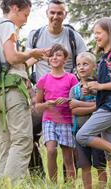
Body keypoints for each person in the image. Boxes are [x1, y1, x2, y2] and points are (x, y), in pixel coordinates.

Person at [25, 0, 87, 178]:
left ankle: (69, 180)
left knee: (72, 142)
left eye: (59, 13)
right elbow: (27, 62)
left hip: (67, 96)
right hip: (42, 95)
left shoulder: (73, 37)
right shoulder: (36, 36)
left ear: (65, 15)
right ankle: (39, 176)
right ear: (47, 13)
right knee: (26, 133)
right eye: (52, 12)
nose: (55, 16)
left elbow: (85, 60)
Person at [0, 0, 48, 185]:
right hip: (12, 92)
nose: (25, 20)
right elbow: (12, 56)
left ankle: (1, 183)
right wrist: (31, 52)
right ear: (14, 8)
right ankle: (13, 184)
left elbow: (12, 64)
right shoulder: (7, 26)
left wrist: (36, 57)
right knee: (22, 140)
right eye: (25, 14)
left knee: (7, 142)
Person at [75, 17, 111, 184]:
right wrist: (93, 87)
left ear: (109, 33)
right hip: (106, 105)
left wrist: (100, 87)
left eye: (98, 33)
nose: (96, 36)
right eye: (94, 34)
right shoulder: (104, 58)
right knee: (110, 153)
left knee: (83, 135)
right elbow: (106, 83)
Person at [35, 44, 78, 183]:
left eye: (58, 55)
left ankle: (71, 184)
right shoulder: (43, 80)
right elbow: (37, 105)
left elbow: (77, 100)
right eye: (52, 55)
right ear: (48, 59)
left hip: (66, 121)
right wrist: (46, 104)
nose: (54, 57)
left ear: (65, 60)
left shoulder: (71, 78)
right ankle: (53, 184)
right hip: (49, 120)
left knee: (68, 157)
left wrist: (66, 100)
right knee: (51, 150)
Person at [69, 52, 107, 189]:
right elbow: (74, 110)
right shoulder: (74, 90)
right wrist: (93, 107)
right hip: (79, 132)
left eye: (85, 64)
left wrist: (83, 104)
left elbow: (103, 106)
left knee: (100, 164)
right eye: (78, 65)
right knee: (85, 165)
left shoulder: (100, 87)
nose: (81, 67)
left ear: (94, 66)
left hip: (97, 133)